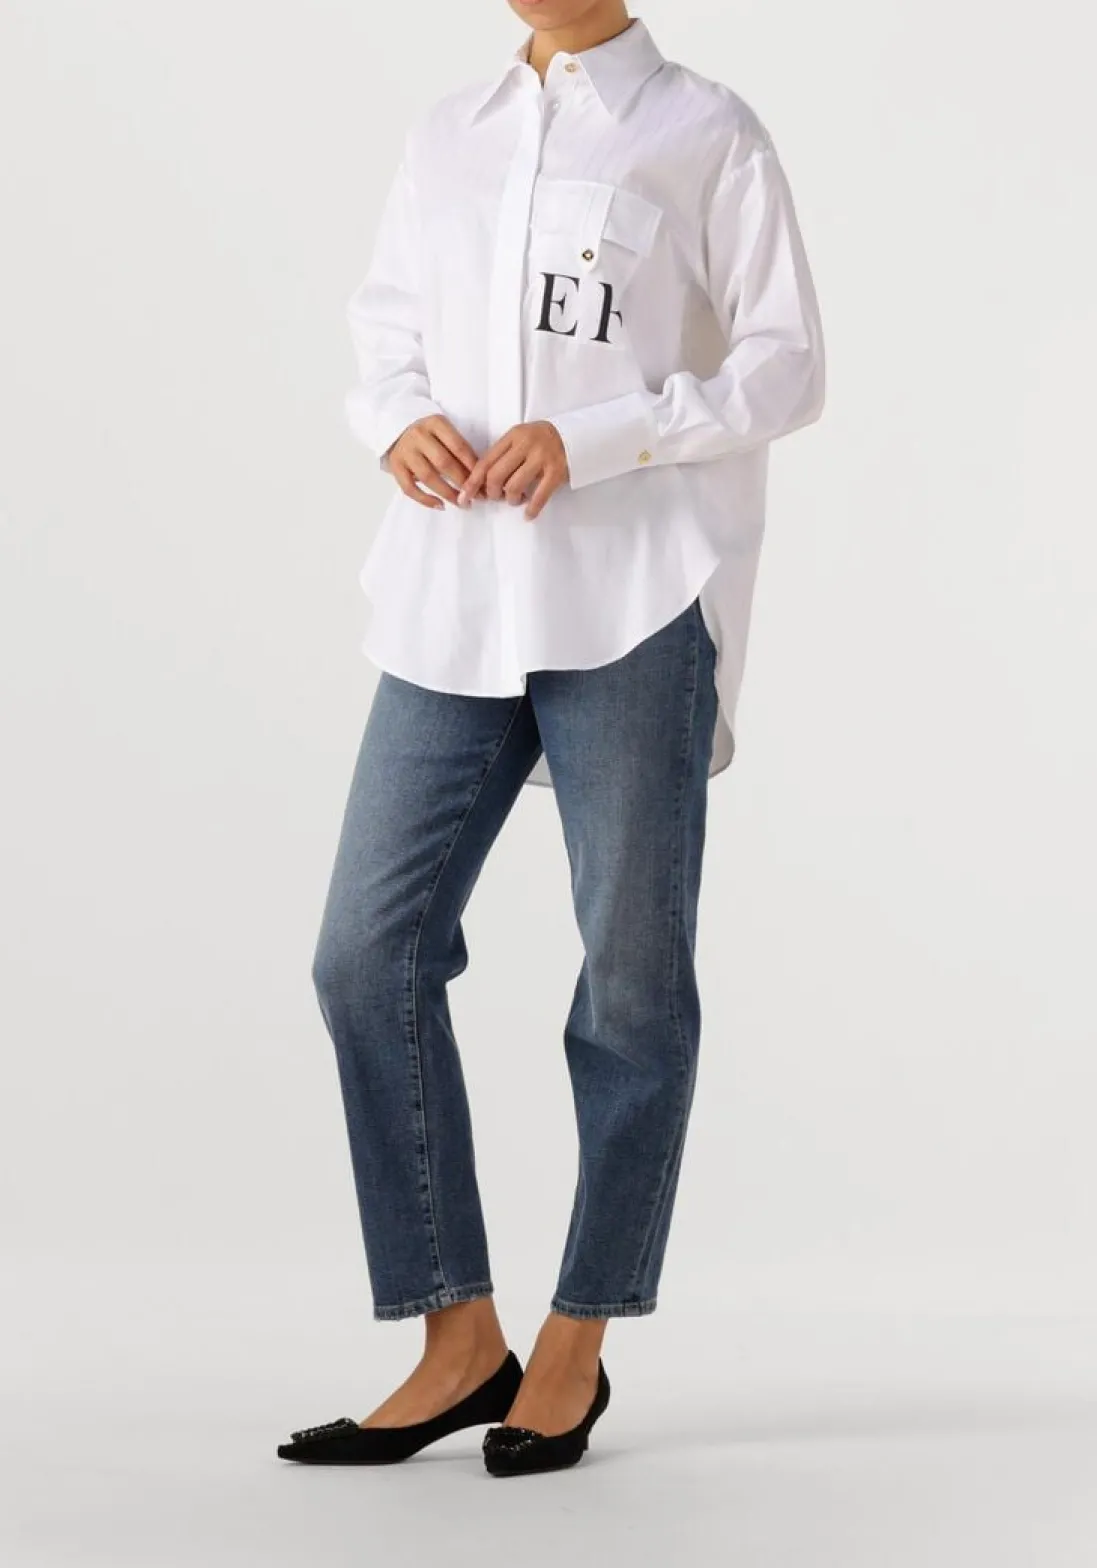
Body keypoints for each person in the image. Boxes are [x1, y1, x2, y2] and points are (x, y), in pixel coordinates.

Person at [277, 0, 825, 1477]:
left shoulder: (706, 131)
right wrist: (394, 419)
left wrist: (598, 439)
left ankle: (577, 1342)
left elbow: (786, 366)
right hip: (453, 599)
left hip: (632, 597)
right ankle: (460, 1339)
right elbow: (386, 330)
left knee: (632, 986)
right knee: (363, 956)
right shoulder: (447, 135)